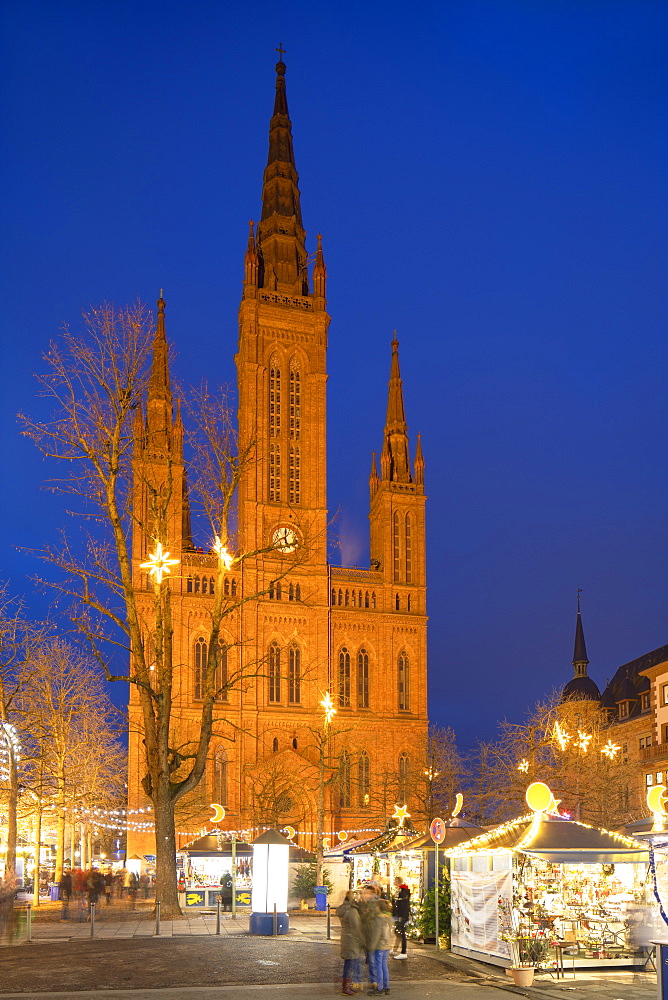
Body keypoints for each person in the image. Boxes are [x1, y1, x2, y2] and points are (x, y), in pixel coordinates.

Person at [336, 890, 365, 995]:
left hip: (346, 937)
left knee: (349, 963)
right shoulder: (352, 911)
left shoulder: (344, 909)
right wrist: (362, 941)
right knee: (350, 964)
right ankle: (346, 987)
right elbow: (356, 928)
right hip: (352, 940)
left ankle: (347, 986)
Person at [367, 898, 394, 995]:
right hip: (387, 945)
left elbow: (376, 934)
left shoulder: (379, 919)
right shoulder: (389, 917)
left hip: (380, 945)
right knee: (384, 966)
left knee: (378, 966)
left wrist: (371, 946)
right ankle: (386, 986)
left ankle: (379, 988)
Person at [391, 876, 411, 959]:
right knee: (398, 932)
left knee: (401, 933)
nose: (394, 882)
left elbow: (403, 905)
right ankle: (395, 949)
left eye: (395, 881)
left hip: (402, 915)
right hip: (401, 914)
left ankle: (403, 951)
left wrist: (401, 915)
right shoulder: (401, 891)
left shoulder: (402, 891)